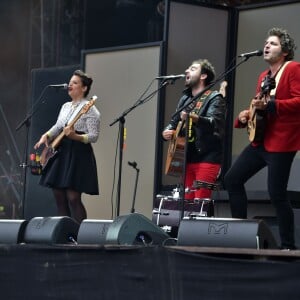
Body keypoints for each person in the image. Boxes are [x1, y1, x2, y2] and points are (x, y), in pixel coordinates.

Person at [224, 27, 300, 250]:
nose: (266, 46)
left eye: (273, 43)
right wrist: (245, 116)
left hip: (282, 143)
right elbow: (259, 107)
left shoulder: (293, 68)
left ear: (284, 51)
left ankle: (288, 246)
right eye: (266, 43)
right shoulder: (263, 77)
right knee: (232, 180)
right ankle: (240, 236)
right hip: (260, 141)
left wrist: (272, 105)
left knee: (277, 194)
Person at [34, 69, 100, 223]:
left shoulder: (91, 109)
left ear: (84, 88)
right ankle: (63, 233)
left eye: (74, 83)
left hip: (78, 153)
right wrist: (47, 135)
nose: (70, 85)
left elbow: (94, 136)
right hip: (62, 150)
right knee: (58, 195)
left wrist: (75, 136)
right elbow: (58, 126)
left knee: (73, 197)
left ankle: (80, 235)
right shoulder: (65, 106)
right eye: (70, 82)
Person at [162, 59, 226, 200]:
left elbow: (215, 124)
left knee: (200, 204)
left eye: (192, 68)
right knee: (187, 205)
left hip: (207, 158)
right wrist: (167, 131)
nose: (186, 71)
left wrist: (194, 118)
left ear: (203, 76)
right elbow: (174, 122)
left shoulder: (214, 98)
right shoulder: (185, 99)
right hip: (187, 157)